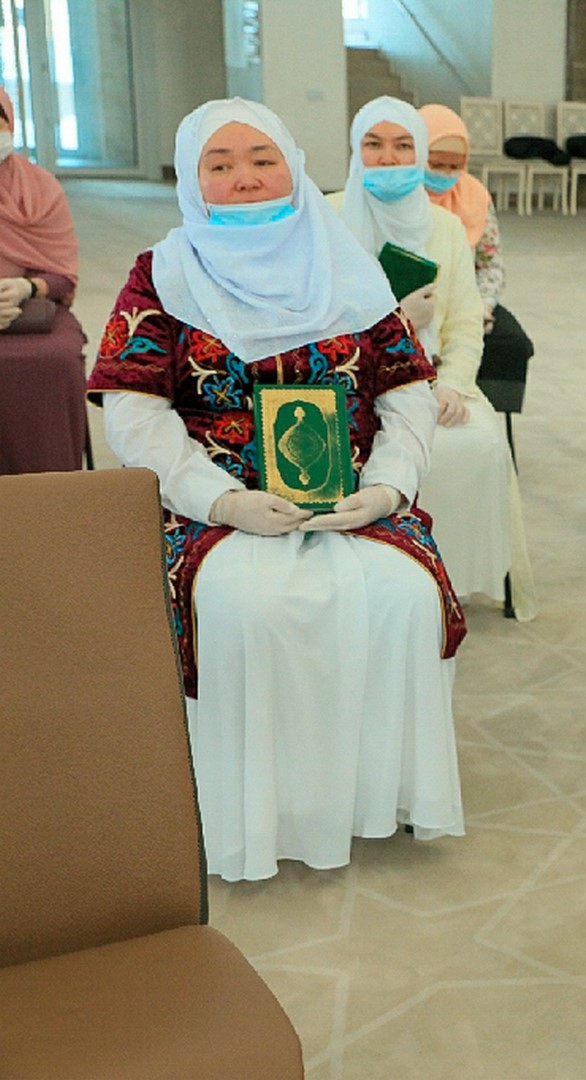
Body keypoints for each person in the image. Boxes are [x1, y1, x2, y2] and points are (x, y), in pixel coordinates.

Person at [87, 98, 467, 881]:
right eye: (220, 165)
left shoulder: (346, 264)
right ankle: (259, 810)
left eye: (263, 160)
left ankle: (369, 796)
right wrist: (217, 500)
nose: (245, 179)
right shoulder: (162, 273)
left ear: (292, 166)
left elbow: (407, 395)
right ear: (191, 179)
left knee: (402, 596)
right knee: (249, 608)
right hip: (212, 504)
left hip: (353, 497)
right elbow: (135, 414)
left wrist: (387, 489)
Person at [332, 96, 536, 619]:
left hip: (427, 380)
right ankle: (371, 582)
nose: (389, 158)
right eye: (374, 145)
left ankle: (447, 585)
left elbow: (465, 324)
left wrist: (453, 385)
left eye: (403, 146)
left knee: (479, 447)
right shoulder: (327, 219)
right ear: (355, 149)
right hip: (342, 381)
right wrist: (396, 320)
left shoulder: (443, 228)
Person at [0, 86, 89, 475]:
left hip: (27, 310)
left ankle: (50, 489)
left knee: (57, 359)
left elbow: (62, 275)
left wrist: (27, 287)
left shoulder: (39, 188)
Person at [418, 102, 534, 385]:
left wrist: (482, 306)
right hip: (416, 305)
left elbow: (490, 264)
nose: (446, 174)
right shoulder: (400, 197)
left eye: (455, 166)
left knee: (513, 345)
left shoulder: (475, 196)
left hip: (466, 300)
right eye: (437, 164)